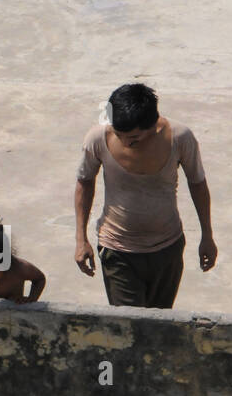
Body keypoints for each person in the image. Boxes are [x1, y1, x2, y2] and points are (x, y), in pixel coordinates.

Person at [74, 83, 216, 308]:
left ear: (152, 126)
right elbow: (84, 181)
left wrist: (207, 236)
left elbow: (197, 184)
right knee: (129, 326)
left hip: (167, 248)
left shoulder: (180, 138)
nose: (124, 142)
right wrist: (81, 240)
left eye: (132, 138)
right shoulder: (98, 138)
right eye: (118, 134)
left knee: (159, 325)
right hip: (117, 249)